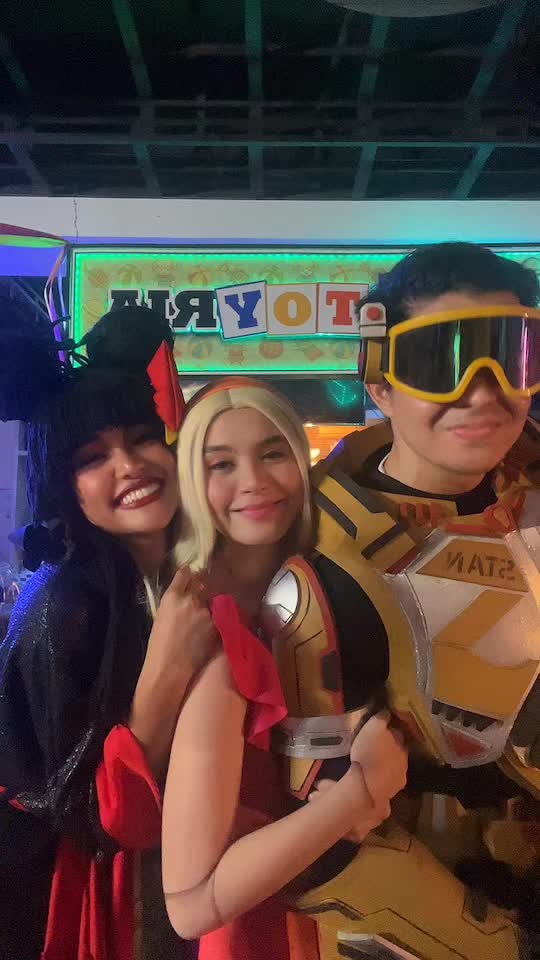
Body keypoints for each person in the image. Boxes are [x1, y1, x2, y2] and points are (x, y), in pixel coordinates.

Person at [256, 242, 540, 960]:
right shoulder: (323, 561)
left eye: (511, 356)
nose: (482, 392)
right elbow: (319, 848)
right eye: (441, 361)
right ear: (380, 384)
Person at [160, 376, 409, 959]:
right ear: (193, 481)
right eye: (222, 464)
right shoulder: (213, 639)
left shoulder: (337, 591)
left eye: (273, 454)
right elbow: (190, 904)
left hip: (367, 912)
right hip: (266, 936)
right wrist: (355, 795)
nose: (254, 481)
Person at [0, 305, 217, 960]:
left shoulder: (208, 571)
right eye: (93, 457)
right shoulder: (59, 605)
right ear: (65, 488)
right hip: (104, 905)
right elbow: (83, 814)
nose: (129, 465)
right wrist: (165, 675)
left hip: (212, 871)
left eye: (143, 438)